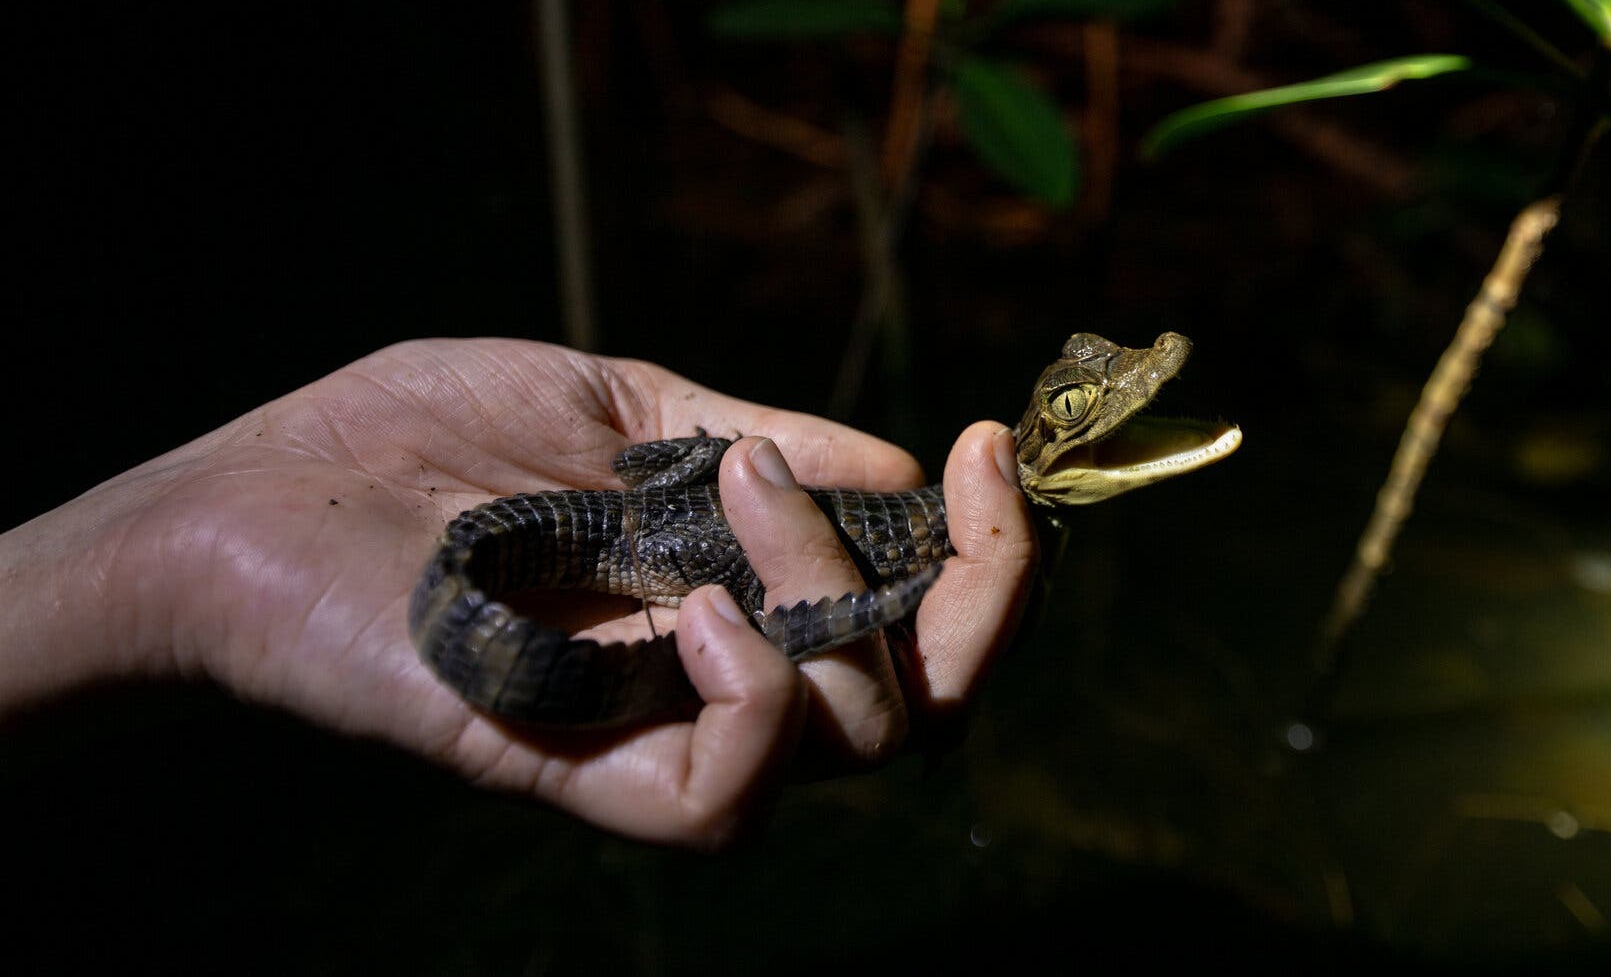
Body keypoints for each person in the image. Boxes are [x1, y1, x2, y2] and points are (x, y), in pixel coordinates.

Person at [0, 338, 1036, 848]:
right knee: (785, 602)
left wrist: (174, 558)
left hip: (628, 525)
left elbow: (638, 472)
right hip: (654, 548)